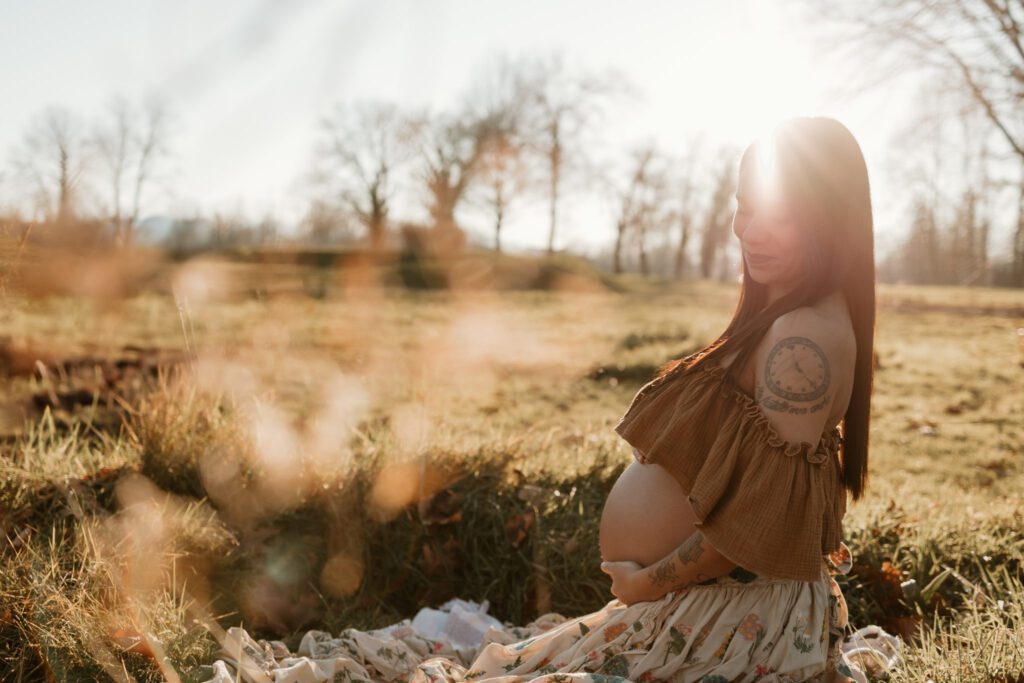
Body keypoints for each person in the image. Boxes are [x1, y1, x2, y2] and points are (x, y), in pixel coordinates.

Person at [202, 117, 897, 683]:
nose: (750, 231)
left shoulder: (803, 337)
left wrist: (650, 584)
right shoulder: (789, 318)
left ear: (826, 215)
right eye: (743, 208)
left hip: (736, 615)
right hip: (719, 601)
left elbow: (755, 521)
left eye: (776, 214)